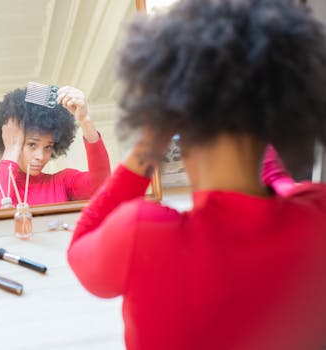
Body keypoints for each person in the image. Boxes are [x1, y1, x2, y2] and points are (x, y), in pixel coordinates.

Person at [67, 0, 326, 349]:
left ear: (175, 121)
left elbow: (80, 247)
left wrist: (149, 146)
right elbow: (281, 186)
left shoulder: (143, 234)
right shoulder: (316, 214)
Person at [0, 86, 111, 209]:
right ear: (12, 139)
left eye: (48, 147)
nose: (41, 157)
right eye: (32, 144)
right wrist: (11, 149)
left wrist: (85, 120)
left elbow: (103, 187)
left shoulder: (62, 182)